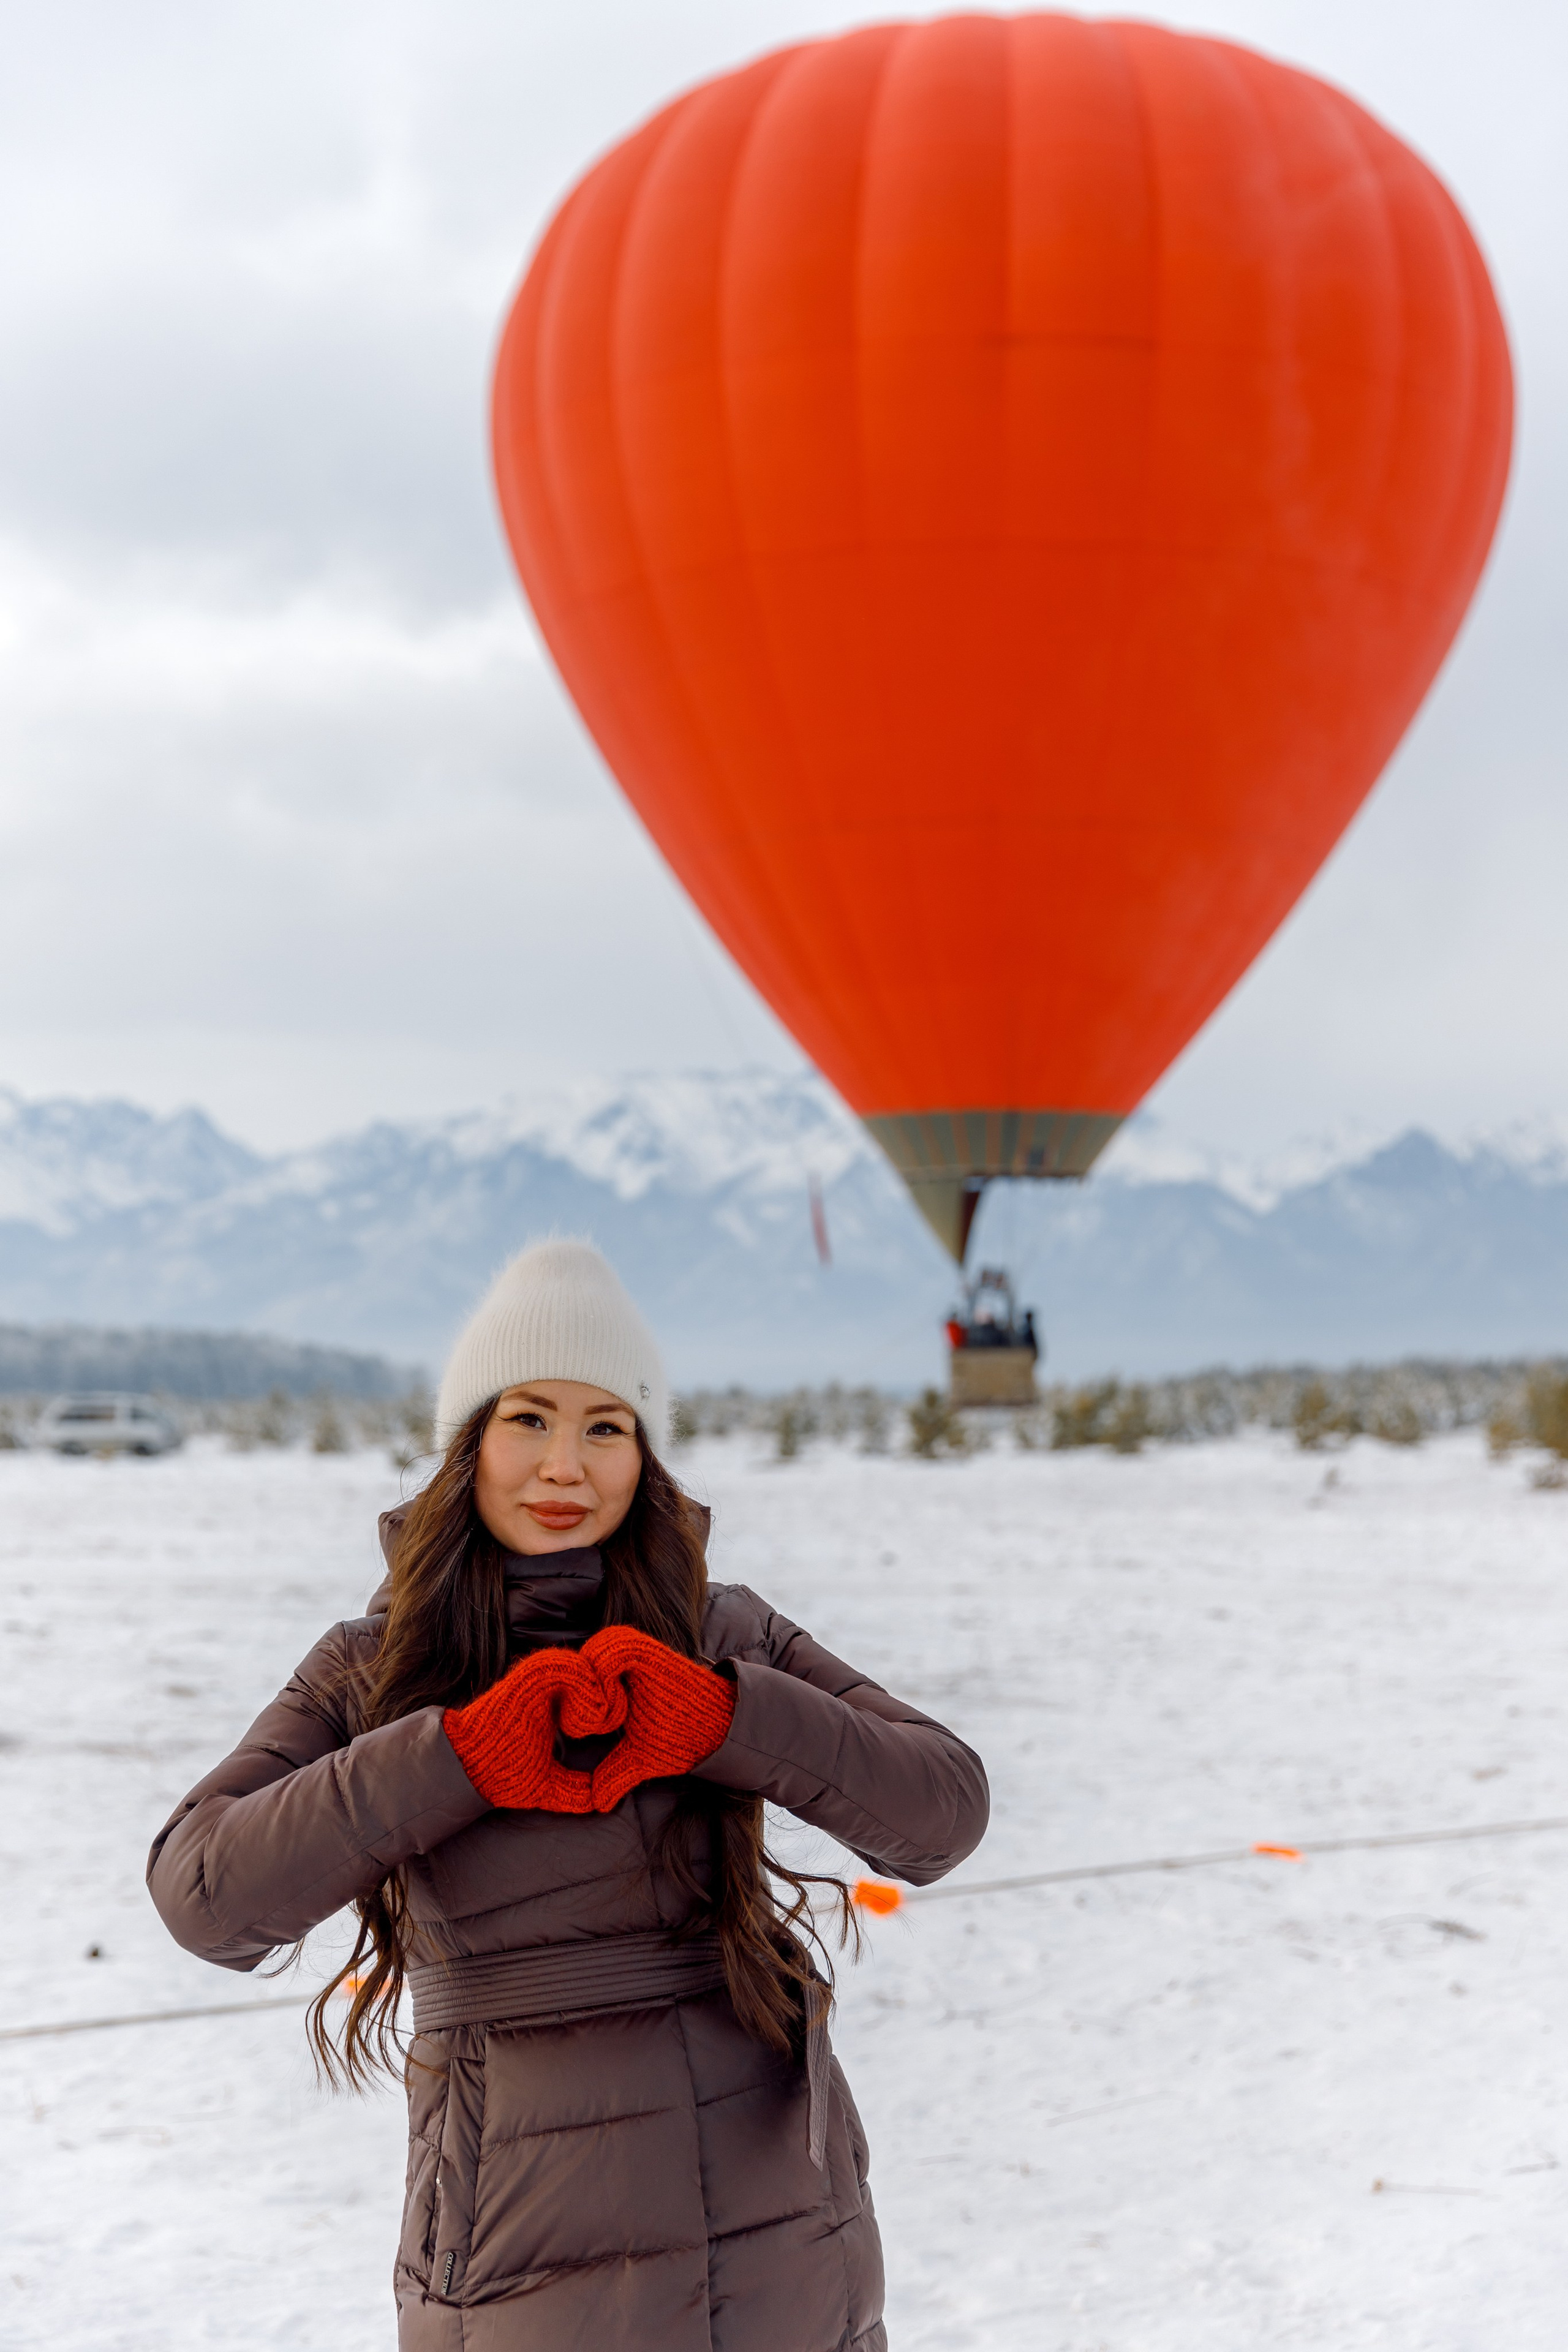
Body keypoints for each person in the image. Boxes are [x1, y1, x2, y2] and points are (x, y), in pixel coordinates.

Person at [148, 1238, 989, 2351]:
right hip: (522, 2228)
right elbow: (204, 1897)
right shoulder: (370, 1664)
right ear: (468, 1442)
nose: (566, 1466)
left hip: (778, 2210)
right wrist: (455, 1757)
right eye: (529, 1420)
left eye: (607, 1428)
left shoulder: (721, 1631)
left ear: (646, 1456)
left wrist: (731, 1717)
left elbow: (944, 1811)